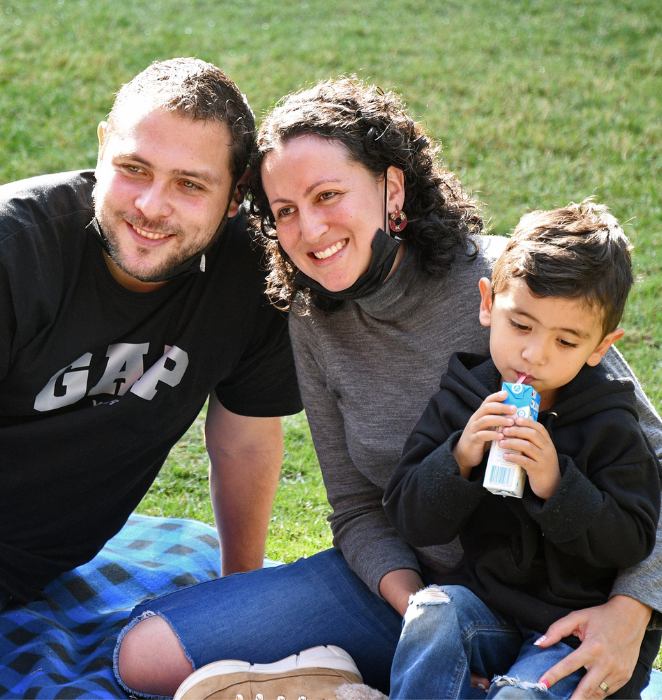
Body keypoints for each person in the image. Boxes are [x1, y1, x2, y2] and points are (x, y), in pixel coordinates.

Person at [115, 78, 662, 700]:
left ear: (391, 190)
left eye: (328, 195)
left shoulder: (517, 300)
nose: (310, 230)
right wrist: (415, 607)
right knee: (148, 656)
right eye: (286, 211)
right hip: (426, 600)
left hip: (566, 607)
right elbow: (354, 507)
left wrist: (634, 610)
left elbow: (653, 461)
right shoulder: (311, 318)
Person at [0, 58, 302, 610]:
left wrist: (236, 595)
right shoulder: (14, 252)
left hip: (31, 571)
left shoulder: (254, 276)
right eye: (134, 168)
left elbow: (244, 440)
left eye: (189, 184)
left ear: (235, 197)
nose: (150, 206)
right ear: (101, 149)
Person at [382, 201, 661, 699]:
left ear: (601, 347)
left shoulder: (610, 424)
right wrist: (460, 457)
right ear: (488, 304)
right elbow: (410, 518)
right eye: (522, 325)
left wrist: (558, 486)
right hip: (487, 610)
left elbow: (633, 540)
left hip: (574, 629)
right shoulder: (464, 399)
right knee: (431, 613)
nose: (534, 354)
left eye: (567, 341)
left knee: (518, 696)